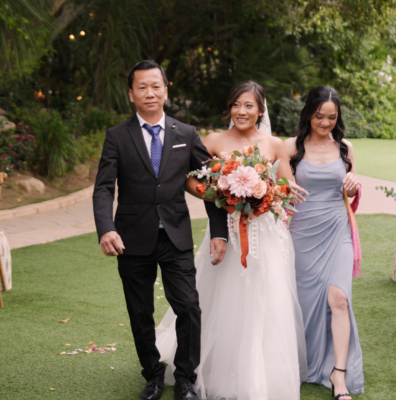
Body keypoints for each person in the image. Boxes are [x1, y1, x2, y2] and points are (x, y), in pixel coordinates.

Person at [156, 81, 309, 400]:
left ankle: (262, 378)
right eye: (237, 104)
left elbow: (286, 188)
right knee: (220, 298)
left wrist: (268, 194)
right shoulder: (213, 140)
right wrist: (218, 193)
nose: (242, 111)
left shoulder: (274, 144)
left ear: (260, 110)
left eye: (249, 105)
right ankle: (212, 367)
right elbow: (189, 179)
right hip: (226, 231)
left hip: (265, 234)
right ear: (229, 108)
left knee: (265, 300)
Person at [93, 60, 229, 400]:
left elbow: (209, 184)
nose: (150, 93)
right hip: (131, 238)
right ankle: (152, 375)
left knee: (189, 307)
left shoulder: (186, 134)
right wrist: (105, 228)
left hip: (175, 235)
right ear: (131, 94)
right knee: (140, 312)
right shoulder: (116, 136)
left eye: (156, 86)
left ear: (166, 90)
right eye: (142, 87)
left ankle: (185, 377)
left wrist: (219, 231)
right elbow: (103, 188)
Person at [285, 86, 364, 399]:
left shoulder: (345, 148)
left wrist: (354, 184)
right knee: (303, 304)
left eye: (332, 117)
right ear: (309, 114)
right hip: (301, 233)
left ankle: (339, 373)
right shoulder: (291, 147)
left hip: (337, 231)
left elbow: (350, 191)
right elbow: (277, 190)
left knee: (339, 299)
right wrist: (283, 187)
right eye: (319, 116)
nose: (325, 122)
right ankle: (302, 364)